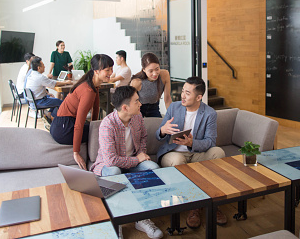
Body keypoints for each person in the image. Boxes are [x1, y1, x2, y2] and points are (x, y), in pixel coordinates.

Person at [90, 85, 162, 239]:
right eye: (137, 101)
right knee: (115, 171)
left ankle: (141, 218)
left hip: (133, 162)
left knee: (152, 168)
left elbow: (143, 136)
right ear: (125, 107)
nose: (140, 104)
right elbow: (110, 160)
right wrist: (137, 159)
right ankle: (117, 222)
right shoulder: (107, 125)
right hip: (109, 167)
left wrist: (141, 153)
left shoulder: (137, 117)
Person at [155, 76, 227, 229]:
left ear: (199, 97)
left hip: (196, 153)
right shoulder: (173, 107)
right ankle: (194, 206)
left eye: (187, 93)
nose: (182, 96)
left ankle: (214, 202)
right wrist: (162, 130)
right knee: (178, 162)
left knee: (218, 152)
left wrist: (191, 143)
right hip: (173, 152)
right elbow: (158, 136)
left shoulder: (210, 113)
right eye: (182, 91)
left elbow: (210, 142)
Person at [50, 54, 114, 169]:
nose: (111, 72)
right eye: (107, 70)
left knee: (101, 129)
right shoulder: (88, 90)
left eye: (111, 69)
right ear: (96, 71)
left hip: (61, 124)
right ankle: (105, 162)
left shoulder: (93, 84)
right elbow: (79, 123)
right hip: (64, 128)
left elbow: (96, 108)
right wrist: (76, 153)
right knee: (107, 133)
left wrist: (94, 127)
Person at [24, 56, 72, 124]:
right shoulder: (40, 77)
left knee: (53, 99)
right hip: (39, 102)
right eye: (43, 65)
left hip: (32, 102)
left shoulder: (31, 75)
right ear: (39, 68)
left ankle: (49, 115)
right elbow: (54, 84)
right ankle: (55, 119)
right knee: (62, 103)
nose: (44, 67)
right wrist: (66, 82)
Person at [130, 52, 171, 117]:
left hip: (154, 107)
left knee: (160, 126)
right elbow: (131, 102)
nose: (155, 73)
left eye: (157, 69)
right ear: (144, 70)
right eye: (151, 71)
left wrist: (171, 116)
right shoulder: (136, 82)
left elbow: (167, 98)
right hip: (139, 108)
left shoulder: (165, 75)